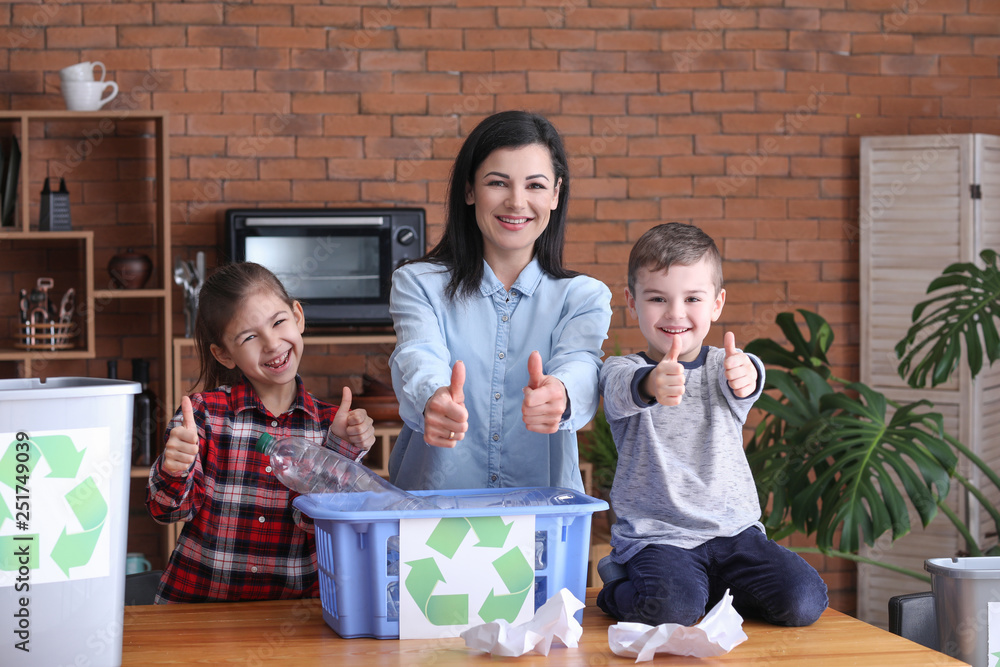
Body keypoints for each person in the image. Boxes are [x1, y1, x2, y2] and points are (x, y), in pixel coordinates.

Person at [596, 222, 828, 627]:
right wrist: (653, 382)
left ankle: (711, 591)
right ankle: (616, 584)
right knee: (672, 612)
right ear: (631, 303)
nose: (675, 313)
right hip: (660, 538)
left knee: (804, 601)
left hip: (737, 535)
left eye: (692, 298)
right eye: (657, 299)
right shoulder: (623, 370)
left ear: (717, 304)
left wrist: (747, 372)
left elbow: (747, 376)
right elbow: (622, 390)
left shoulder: (724, 366)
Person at [388, 110, 612, 492]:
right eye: (498, 183)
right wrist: (435, 397)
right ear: (470, 190)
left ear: (556, 194)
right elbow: (418, 354)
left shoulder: (584, 296)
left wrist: (561, 391)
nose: (516, 202)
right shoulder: (417, 283)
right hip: (434, 517)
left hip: (542, 519)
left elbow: (581, 362)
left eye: (536, 186)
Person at [147, 262, 376, 603]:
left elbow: (331, 527)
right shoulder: (201, 416)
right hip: (197, 612)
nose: (271, 343)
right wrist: (173, 468)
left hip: (294, 620)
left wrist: (340, 451)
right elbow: (168, 511)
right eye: (250, 337)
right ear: (224, 354)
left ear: (297, 317)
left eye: (278, 322)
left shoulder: (331, 426)